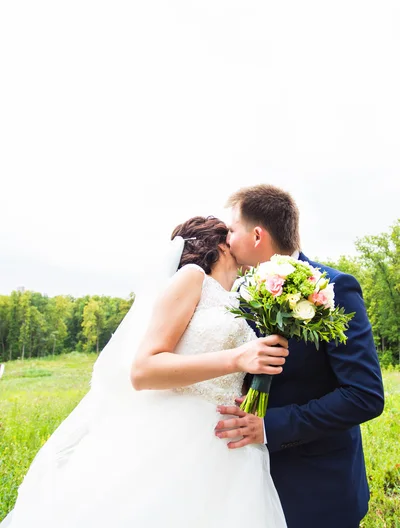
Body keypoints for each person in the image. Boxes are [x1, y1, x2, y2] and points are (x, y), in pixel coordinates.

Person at [2, 216, 288, 528]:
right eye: (230, 233)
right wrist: (237, 358)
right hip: (178, 436)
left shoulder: (239, 301)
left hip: (230, 448)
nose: (236, 241)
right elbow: (143, 370)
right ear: (219, 243)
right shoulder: (193, 278)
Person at [215, 184, 385, 528]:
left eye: (231, 229)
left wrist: (269, 427)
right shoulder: (233, 296)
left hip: (317, 487)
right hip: (244, 482)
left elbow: (364, 396)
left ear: (258, 235)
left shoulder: (336, 289)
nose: (226, 239)